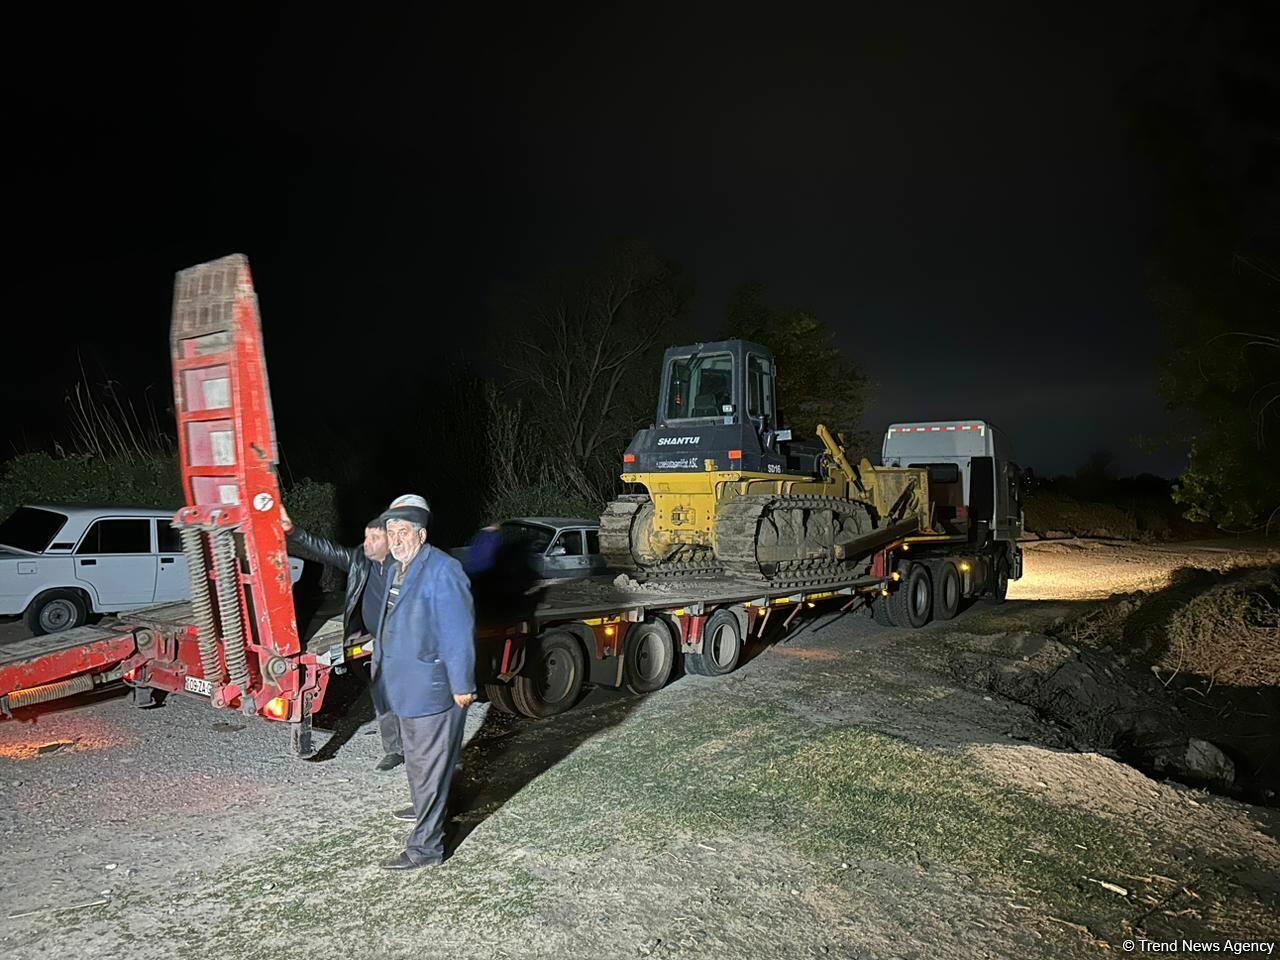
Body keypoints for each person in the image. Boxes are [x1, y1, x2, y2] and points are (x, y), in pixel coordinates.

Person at [374, 495, 476, 870]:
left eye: (404, 532)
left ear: (422, 534)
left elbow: (457, 632)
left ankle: (426, 849)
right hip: (405, 683)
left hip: (433, 688)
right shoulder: (396, 567)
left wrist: (462, 684)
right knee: (422, 763)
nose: (396, 539)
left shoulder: (443, 570)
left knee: (427, 764)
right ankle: (424, 806)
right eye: (391, 531)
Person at [278, 506, 404, 772]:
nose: (366, 543)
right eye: (366, 538)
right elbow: (326, 549)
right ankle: (396, 750)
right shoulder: (360, 559)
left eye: (374, 539)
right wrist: (294, 531)